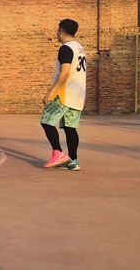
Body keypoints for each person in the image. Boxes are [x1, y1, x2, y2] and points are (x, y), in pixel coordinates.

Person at [40, 19, 86, 171]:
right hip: (78, 95)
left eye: (57, 30)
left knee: (46, 121)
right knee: (70, 127)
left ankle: (58, 153)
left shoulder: (65, 49)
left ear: (61, 30)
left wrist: (51, 91)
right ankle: (73, 161)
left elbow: (64, 72)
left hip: (64, 94)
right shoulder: (79, 48)